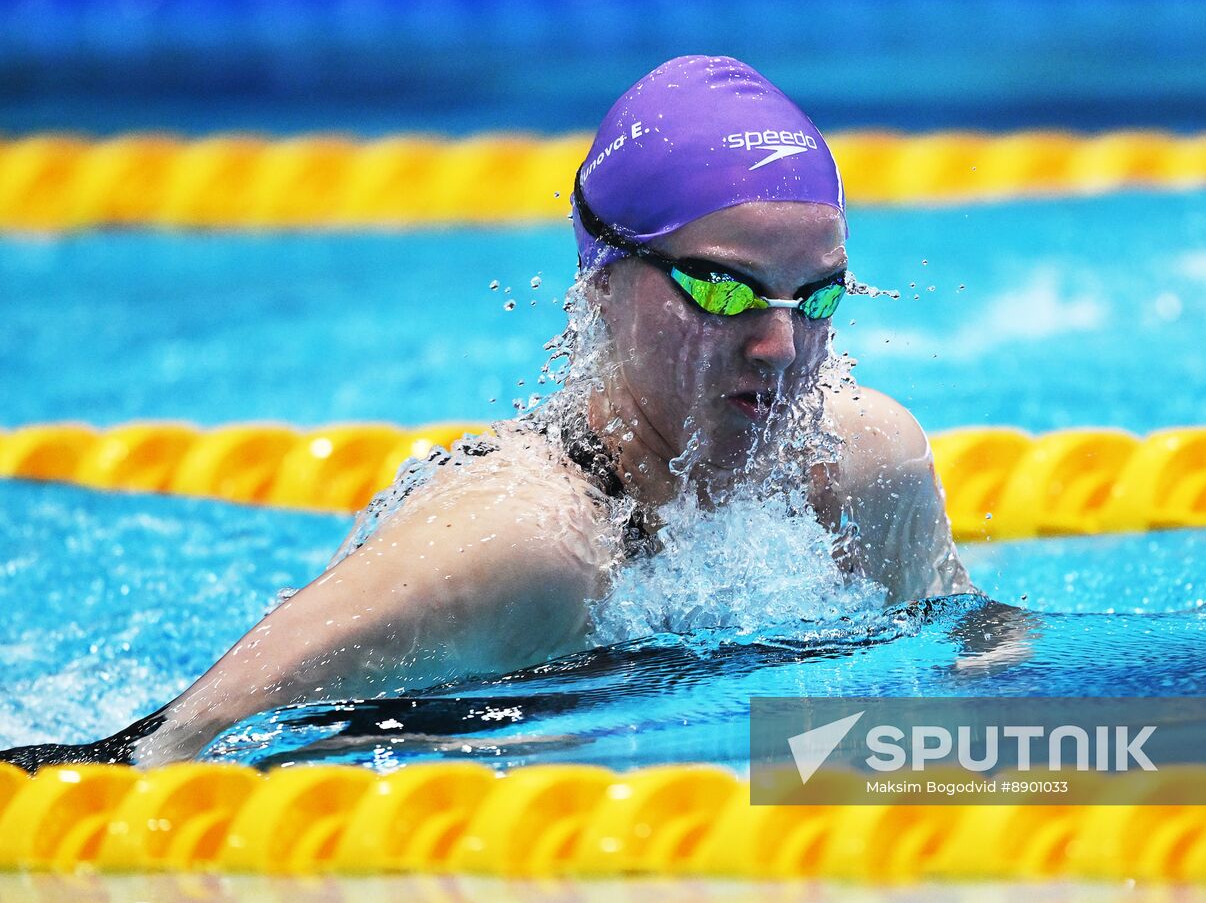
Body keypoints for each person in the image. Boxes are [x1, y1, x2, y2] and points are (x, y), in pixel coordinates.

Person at [2, 55, 1003, 772]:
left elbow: (975, 662)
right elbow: (164, 745)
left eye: (815, 297)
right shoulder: (518, 541)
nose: (782, 348)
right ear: (604, 282)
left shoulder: (865, 464)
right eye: (725, 291)